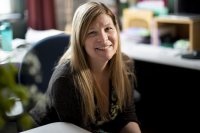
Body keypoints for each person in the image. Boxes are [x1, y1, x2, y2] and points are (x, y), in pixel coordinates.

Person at [29, 1, 141, 133]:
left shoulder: (125, 64)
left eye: (108, 29)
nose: (104, 38)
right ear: (80, 40)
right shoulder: (67, 79)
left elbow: (126, 117)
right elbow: (81, 130)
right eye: (92, 32)